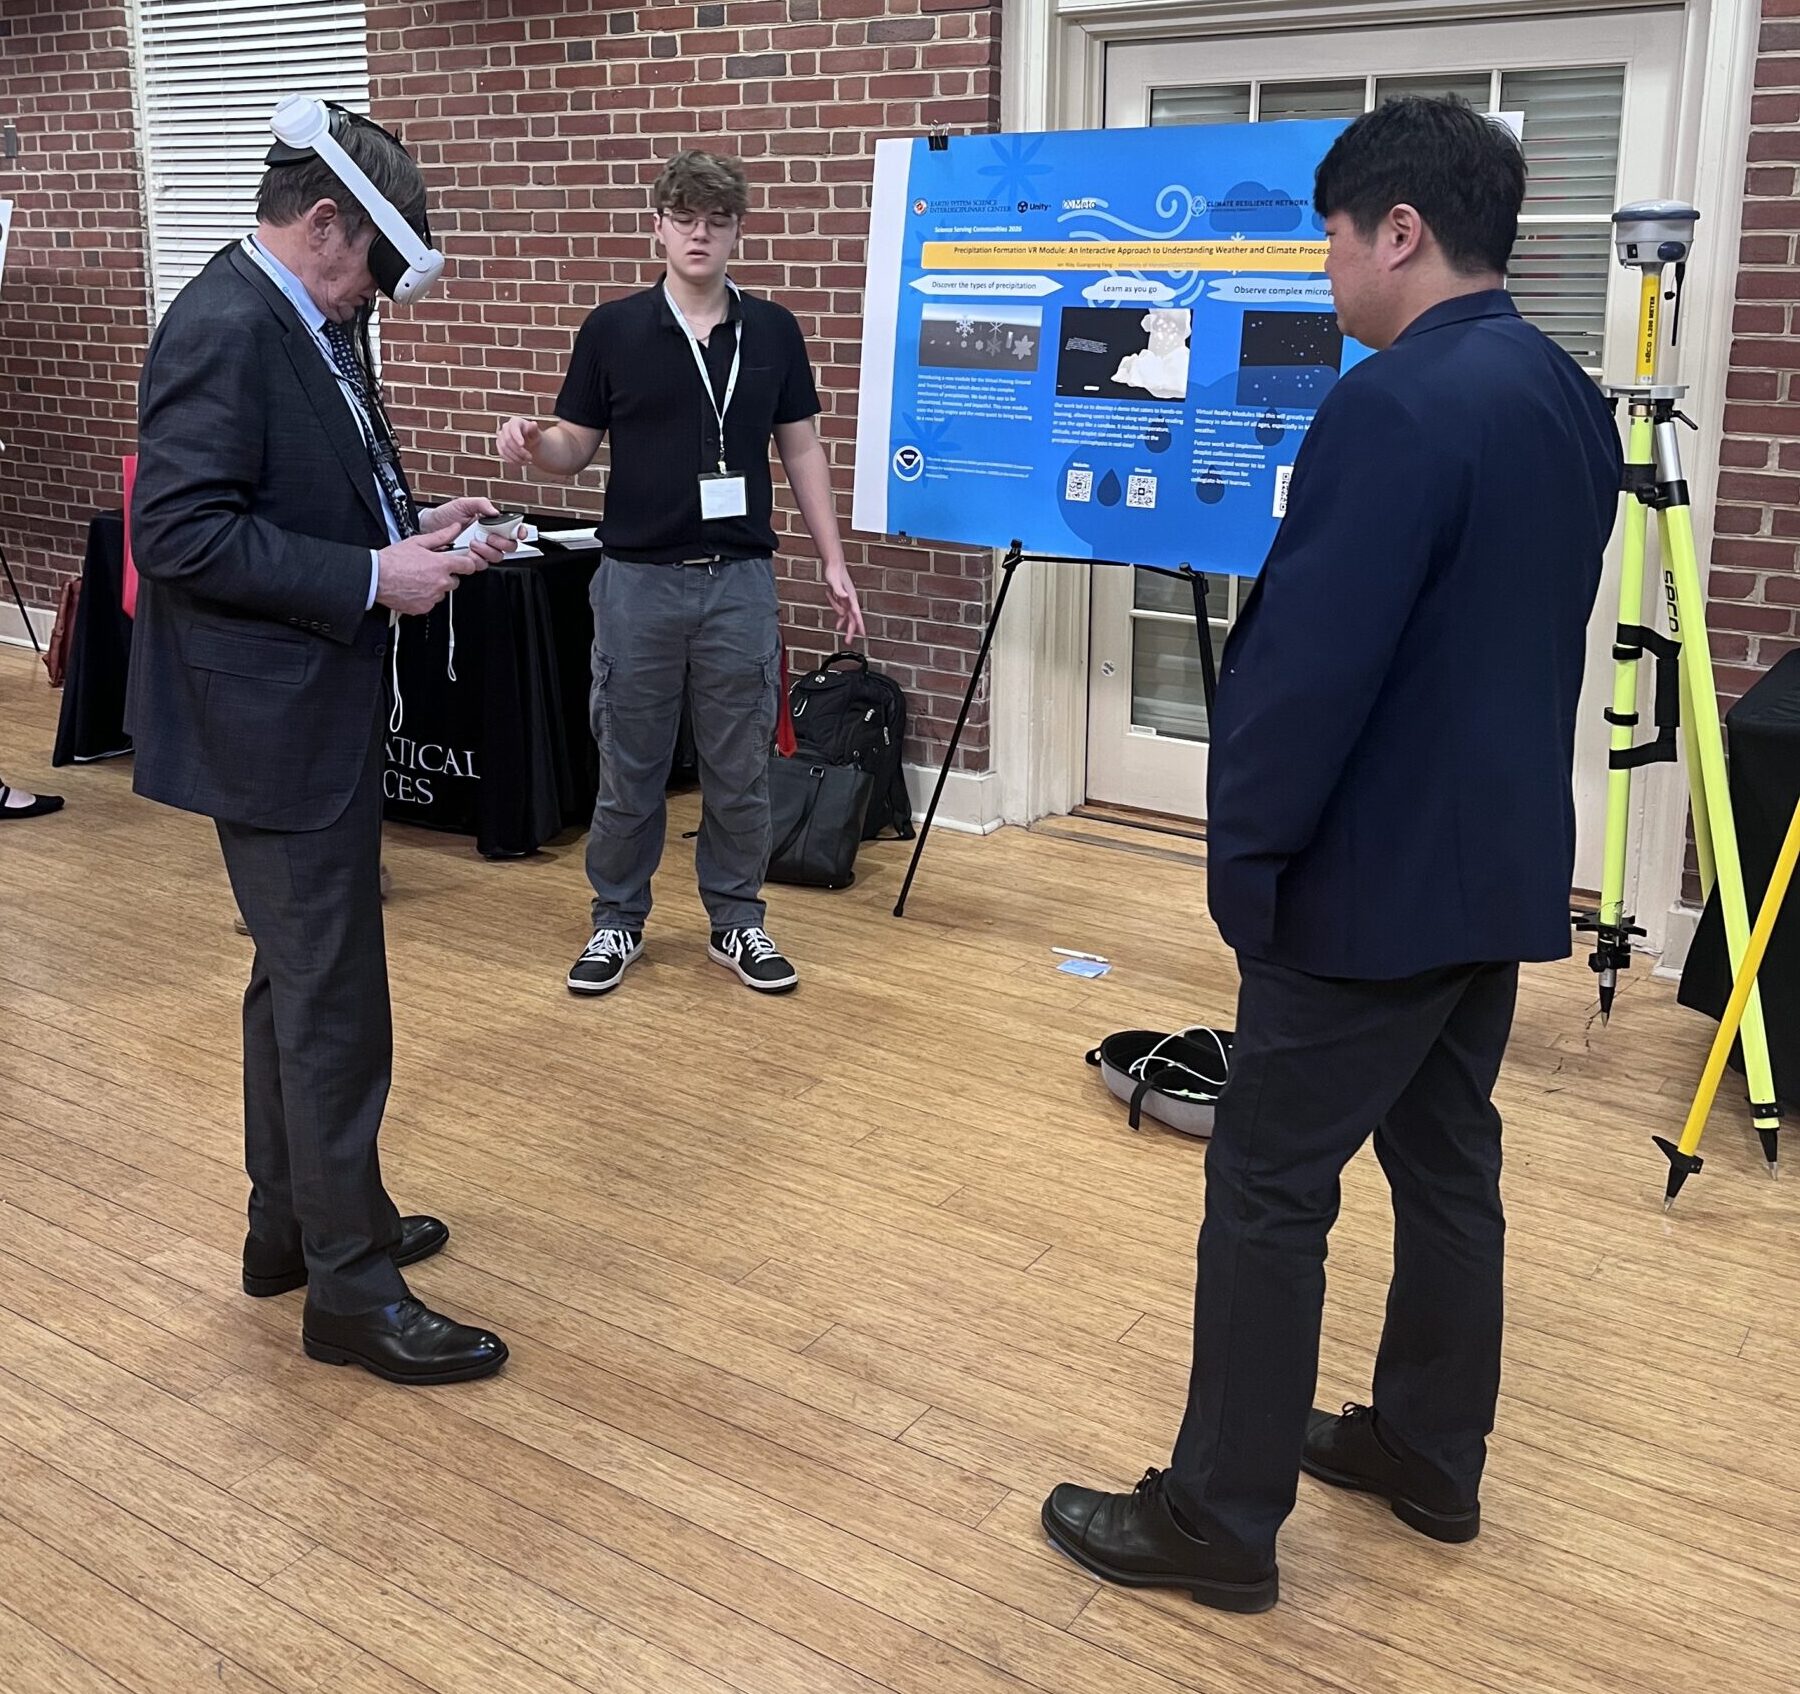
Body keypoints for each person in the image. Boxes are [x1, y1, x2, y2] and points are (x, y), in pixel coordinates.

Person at [1041, 98, 1621, 1612]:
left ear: (1401, 232)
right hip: (1491, 866)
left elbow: (1306, 670)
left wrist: (1250, 866)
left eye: (1331, 235)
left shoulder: (1391, 404)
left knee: (1266, 1185)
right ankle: (1433, 1452)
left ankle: (1215, 1518)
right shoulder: (1566, 392)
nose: (1324, 265)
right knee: (1446, 1166)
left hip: (1364, 888)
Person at [128, 105, 517, 1386]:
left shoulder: (302, 317)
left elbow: (311, 479)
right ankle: (352, 1289)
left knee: (293, 983)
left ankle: (291, 1224)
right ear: (324, 222)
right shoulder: (228, 322)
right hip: (273, 719)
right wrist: (367, 574)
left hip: (303, 711)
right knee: (336, 1002)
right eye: (370, 273)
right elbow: (178, 533)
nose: (374, 302)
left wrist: (420, 523)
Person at [497, 149, 864, 999]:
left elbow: (802, 448)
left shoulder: (772, 330)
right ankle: (616, 921)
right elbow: (575, 447)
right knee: (631, 765)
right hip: (637, 584)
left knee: (739, 768)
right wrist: (533, 441)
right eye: (685, 217)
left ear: (738, 231)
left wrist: (834, 561)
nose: (701, 234)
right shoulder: (614, 329)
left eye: (718, 220)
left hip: (738, 583)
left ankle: (737, 920)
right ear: (657, 225)